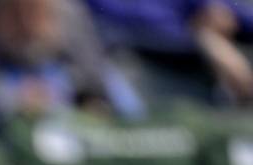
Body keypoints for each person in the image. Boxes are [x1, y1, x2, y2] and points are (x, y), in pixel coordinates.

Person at [0, 0, 144, 136]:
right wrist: (6, 107)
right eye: (13, 14)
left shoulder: (96, 73)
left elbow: (136, 124)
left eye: (35, 12)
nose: (25, 25)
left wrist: (89, 109)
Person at [84, 0, 253, 105]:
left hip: (196, 71)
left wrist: (218, 14)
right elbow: (130, 23)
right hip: (131, 65)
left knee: (213, 38)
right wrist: (198, 33)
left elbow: (236, 17)